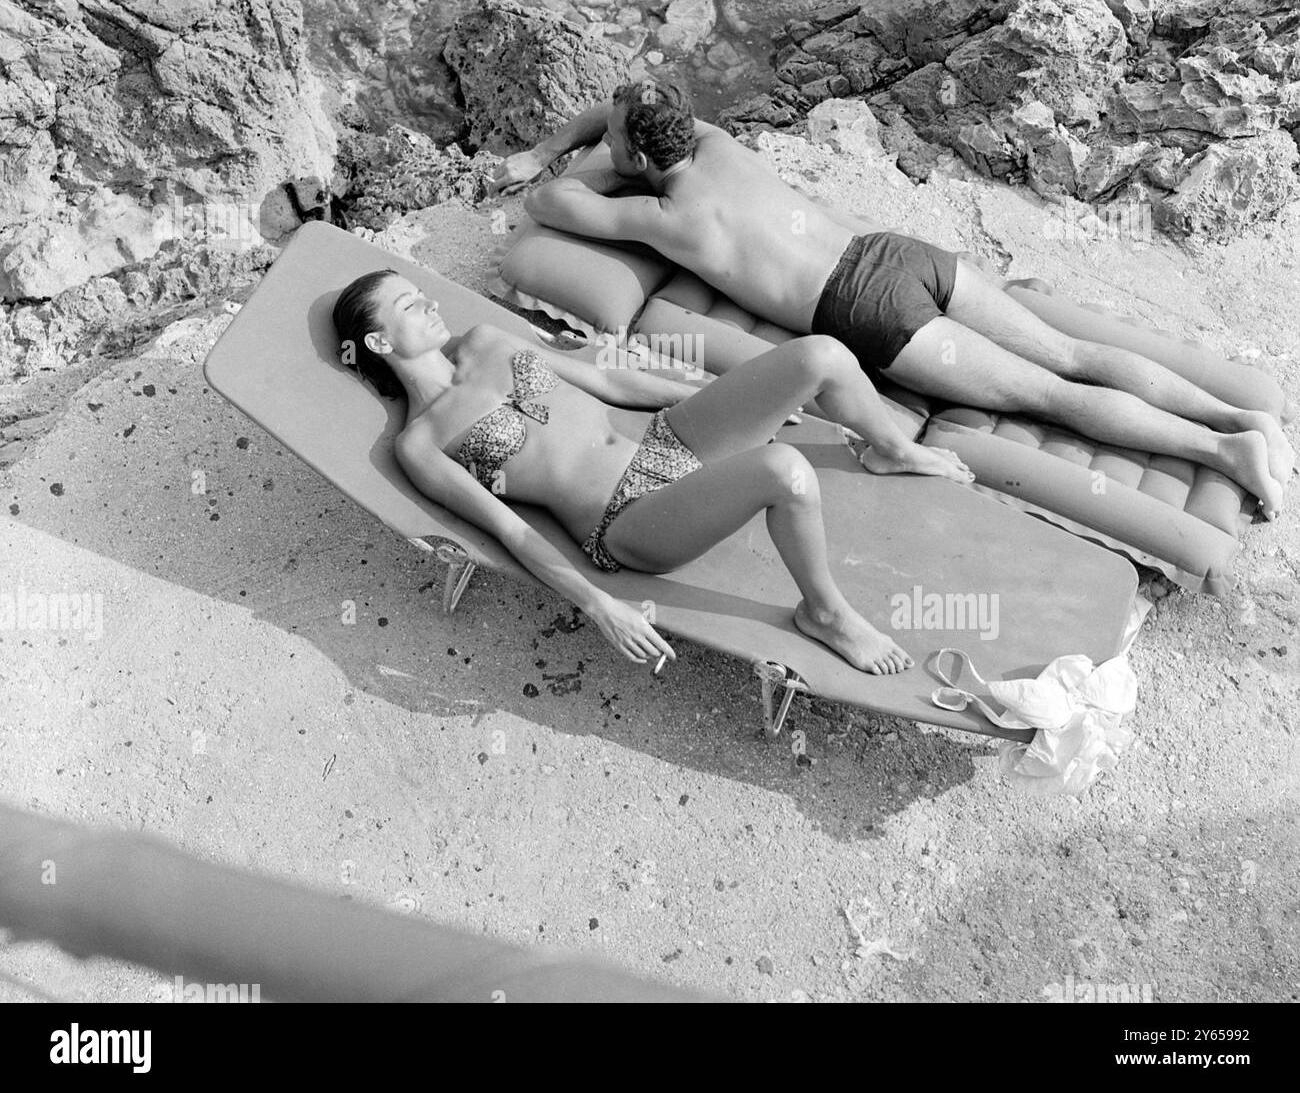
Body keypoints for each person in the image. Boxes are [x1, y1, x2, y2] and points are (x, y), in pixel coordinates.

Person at [491, 79, 1293, 520]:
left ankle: (1225, 454)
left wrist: (566, 154)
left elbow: (549, 205)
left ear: (636, 156)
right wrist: (619, 130)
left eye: (621, 139)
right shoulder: (717, 144)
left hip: (868, 314)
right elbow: (622, 102)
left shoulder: (664, 216)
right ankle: (1239, 418)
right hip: (895, 254)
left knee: (1054, 396)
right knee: (1070, 355)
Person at [332, 270, 975, 676]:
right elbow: (508, 530)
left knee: (820, 356)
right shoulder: (423, 443)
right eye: (410, 306)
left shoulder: (484, 341)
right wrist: (599, 605)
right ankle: (826, 613)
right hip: (626, 521)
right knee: (786, 470)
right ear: (382, 344)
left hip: (666, 442)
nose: (429, 304)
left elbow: (607, 380)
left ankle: (895, 447)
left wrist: (717, 397)